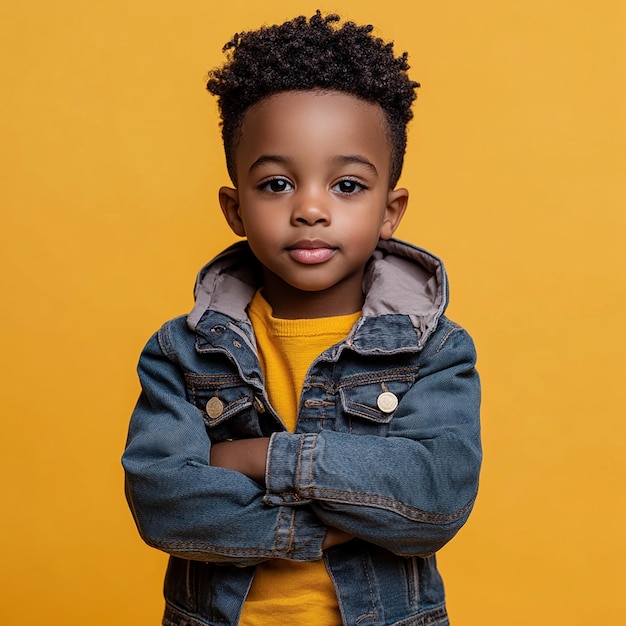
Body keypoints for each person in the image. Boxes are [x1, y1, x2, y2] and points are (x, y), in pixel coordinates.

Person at [122, 11, 481, 626]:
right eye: (278, 183)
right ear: (235, 208)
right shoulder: (182, 352)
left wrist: (258, 457)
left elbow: (434, 498)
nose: (310, 209)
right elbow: (164, 503)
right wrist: (331, 520)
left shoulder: (433, 350)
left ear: (390, 211)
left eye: (346, 185)